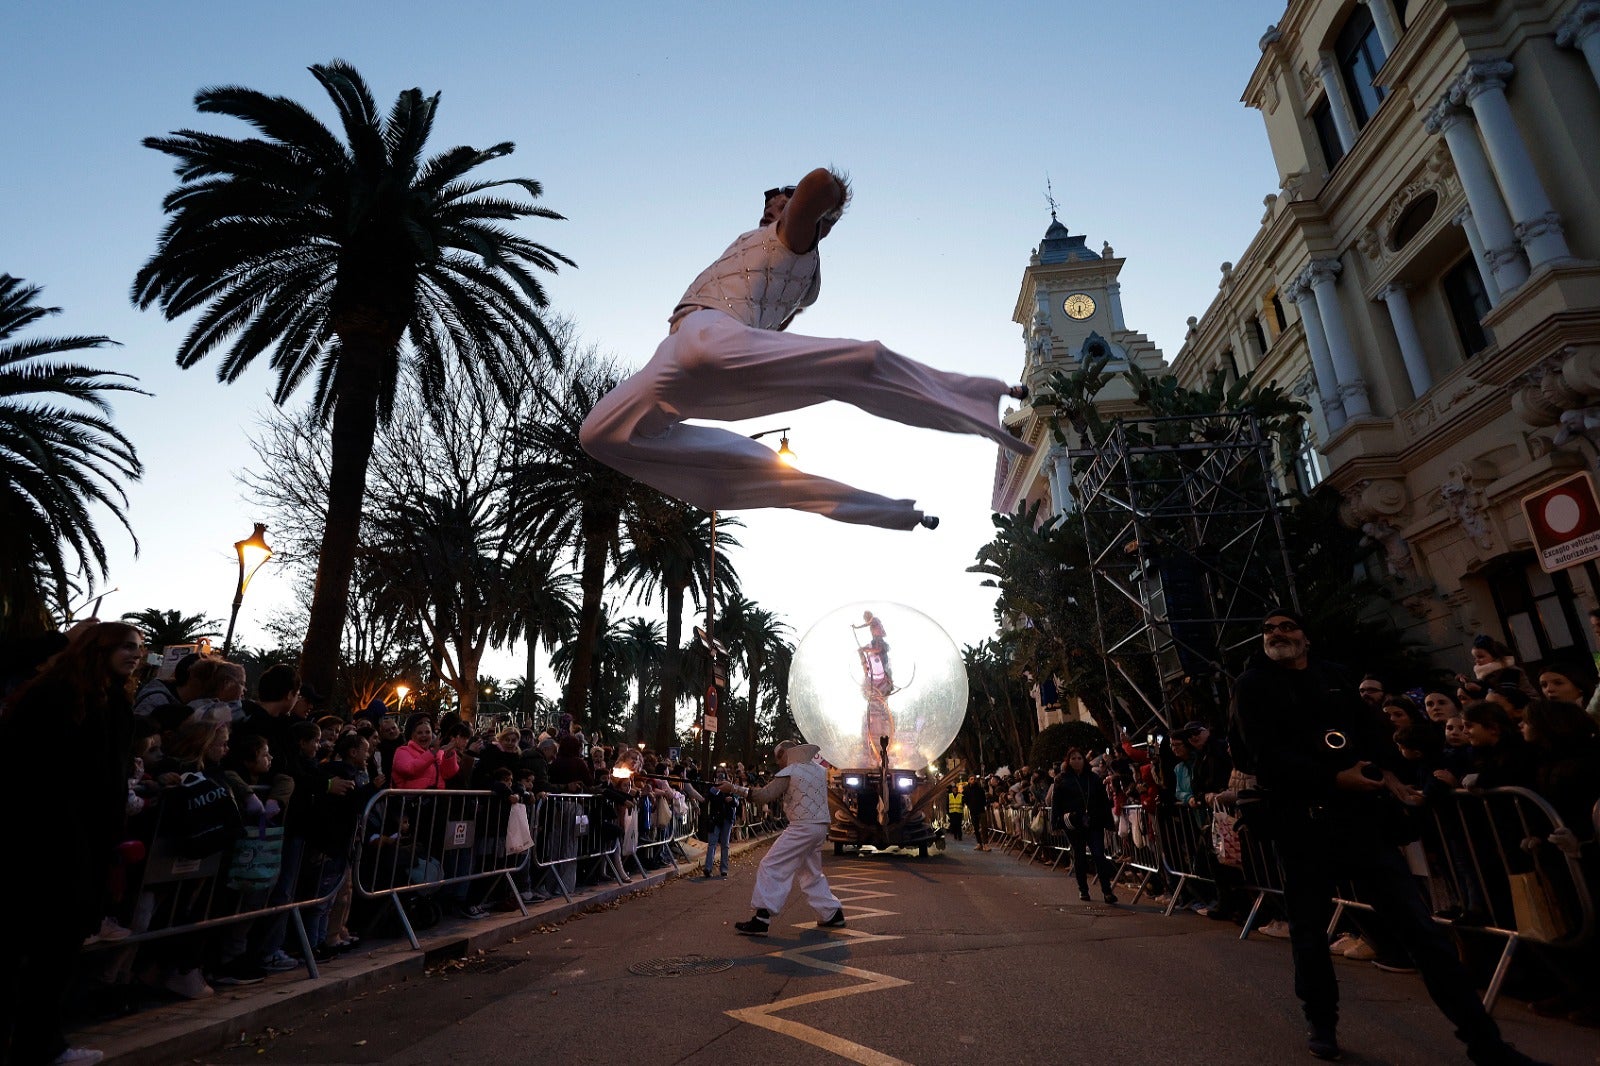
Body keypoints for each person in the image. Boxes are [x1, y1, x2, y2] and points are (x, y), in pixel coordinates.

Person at [579, 168, 1032, 531]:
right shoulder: (775, 252)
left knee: (854, 361)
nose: (770, 210)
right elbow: (776, 323)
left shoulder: (792, 241)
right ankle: (754, 481)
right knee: (598, 436)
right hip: (674, 356)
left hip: (708, 337)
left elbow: (819, 184)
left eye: (781, 204)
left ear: (813, 222)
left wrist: (830, 195)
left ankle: (974, 400)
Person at [1231, 606, 1541, 1065]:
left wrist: (1389, 776)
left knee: (1422, 930)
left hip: (1361, 824)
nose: (1276, 634)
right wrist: (1331, 779)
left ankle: (1485, 1042)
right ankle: (1322, 1021)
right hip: (1302, 827)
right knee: (1310, 933)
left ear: (1306, 636)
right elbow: (1259, 755)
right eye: (1268, 629)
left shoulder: (1335, 676)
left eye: (1287, 626)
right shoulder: (1251, 685)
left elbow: (1373, 734)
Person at [0, 622, 143, 1066]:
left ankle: (40, 1042)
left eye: (139, 647)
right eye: (125, 646)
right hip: (47, 838)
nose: (135, 654)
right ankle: (36, 1046)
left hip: (86, 840)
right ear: (97, 648)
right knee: (38, 949)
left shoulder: (116, 699)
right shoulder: (56, 696)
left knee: (55, 951)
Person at [727, 741, 843, 935]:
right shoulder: (819, 771)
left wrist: (734, 789)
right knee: (810, 873)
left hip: (801, 827)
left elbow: (764, 795)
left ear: (784, 754)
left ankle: (762, 918)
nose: (778, 763)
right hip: (820, 827)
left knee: (770, 865)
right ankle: (831, 913)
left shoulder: (791, 771)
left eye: (778, 758)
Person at [1052, 750, 1117, 904]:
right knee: (1079, 856)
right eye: (1073, 758)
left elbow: (1103, 802)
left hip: (1093, 822)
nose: (1076, 761)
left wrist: (1108, 822)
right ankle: (1083, 889)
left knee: (1099, 855)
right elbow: (1056, 804)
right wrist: (1055, 822)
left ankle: (1107, 891)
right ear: (1068, 761)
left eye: (1079, 758)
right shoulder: (1061, 780)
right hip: (1074, 824)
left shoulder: (1093, 778)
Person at [700, 769, 739, 879]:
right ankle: (708, 868)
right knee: (712, 843)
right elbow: (710, 796)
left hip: (727, 818)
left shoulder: (730, 787)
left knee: (725, 844)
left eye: (722, 773)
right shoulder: (712, 787)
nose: (720, 775)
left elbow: (737, 801)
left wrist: (732, 799)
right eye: (718, 773)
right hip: (715, 819)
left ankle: (724, 869)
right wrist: (718, 786)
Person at [963, 774, 992, 851]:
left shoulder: (980, 789)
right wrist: (968, 805)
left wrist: (983, 805)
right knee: (976, 828)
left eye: (974, 779)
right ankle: (979, 843)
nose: (973, 780)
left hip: (981, 810)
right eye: (971, 779)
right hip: (973, 811)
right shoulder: (966, 789)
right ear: (969, 780)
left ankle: (985, 844)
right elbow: (964, 799)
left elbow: (983, 799)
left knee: (984, 827)